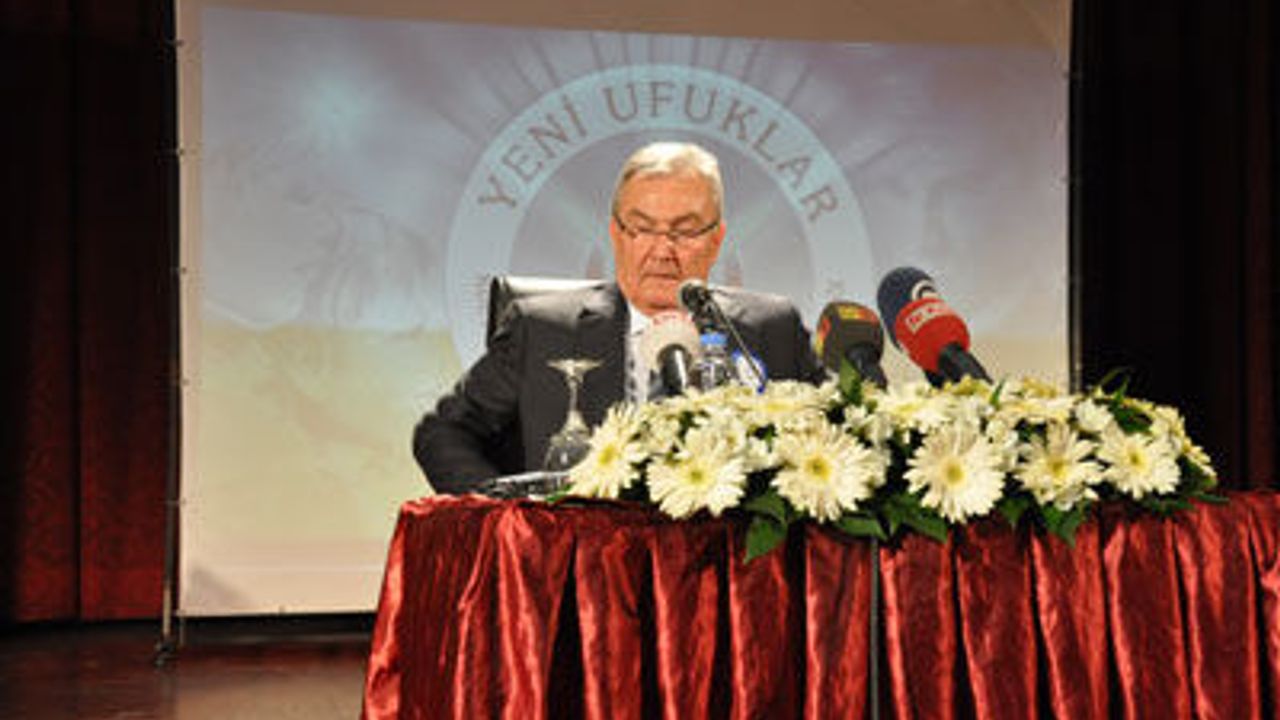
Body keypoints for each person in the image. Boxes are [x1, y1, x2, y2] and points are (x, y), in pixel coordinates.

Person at [414, 141, 824, 494]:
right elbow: (443, 433)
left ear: (716, 239)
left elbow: (838, 440)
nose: (662, 251)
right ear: (616, 233)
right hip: (579, 555)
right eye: (642, 229)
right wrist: (506, 518)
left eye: (684, 231)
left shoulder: (772, 330)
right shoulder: (542, 328)